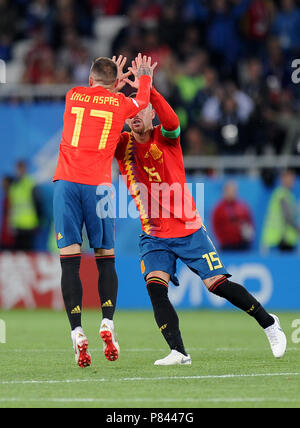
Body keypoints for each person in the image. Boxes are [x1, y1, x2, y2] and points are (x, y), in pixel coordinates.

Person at [114, 59, 287, 366]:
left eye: (141, 108)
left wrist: (147, 87)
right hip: (153, 233)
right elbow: (99, 125)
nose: (136, 115)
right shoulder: (122, 144)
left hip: (187, 228)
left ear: (150, 111)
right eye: (131, 111)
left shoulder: (166, 138)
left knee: (217, 285)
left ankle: (269, 323)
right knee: (156, 288)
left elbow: (171, 120)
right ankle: (179, 352)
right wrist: (110, 93)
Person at [53, 54, 155, 368]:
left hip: (66, 184)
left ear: (90, 76)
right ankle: (107, 323)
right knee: (105, 256)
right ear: (114, 83)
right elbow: (143, 101)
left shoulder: (73, 95)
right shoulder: (121, 104)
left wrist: (110, 85)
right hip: (98, 187)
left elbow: (93, 93)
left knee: (69, 261)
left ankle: (76, 331)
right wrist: (143, 76)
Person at [262, 169, 299, 252]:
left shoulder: (286, 195)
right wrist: (297, 229)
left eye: (293, 179)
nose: (292, 182)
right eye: (290, 179)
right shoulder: (282, 195)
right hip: (281, 239)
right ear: (283, 179)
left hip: (281, 239)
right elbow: (288, 217)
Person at [212, 181, 255, 251]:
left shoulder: (243, 207)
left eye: (233, 190)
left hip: (242, 244)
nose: (231, 193)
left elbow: (249, 222)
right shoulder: (219, 209)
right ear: (225, 192)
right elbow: (216, 225)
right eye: (229, 190)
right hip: (226, 245)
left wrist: (248, 235)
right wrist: (222, 240)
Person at [8, 161, 41, 251]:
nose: (19, 171)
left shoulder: (30, 183)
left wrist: (38, 220)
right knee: (19, 252)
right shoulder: (14, 185)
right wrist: (11, 223)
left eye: (21, 168)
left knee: (28, 250)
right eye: (18, 168)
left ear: (25, 169)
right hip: (17, 224)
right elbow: (12, 206)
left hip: (29, 223)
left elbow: (37, 203)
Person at [0, 176, 15, 250]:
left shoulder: (12, 198)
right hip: (4, 233)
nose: (2, 185)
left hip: (10, 234)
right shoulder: (4, 197)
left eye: (5, 183)